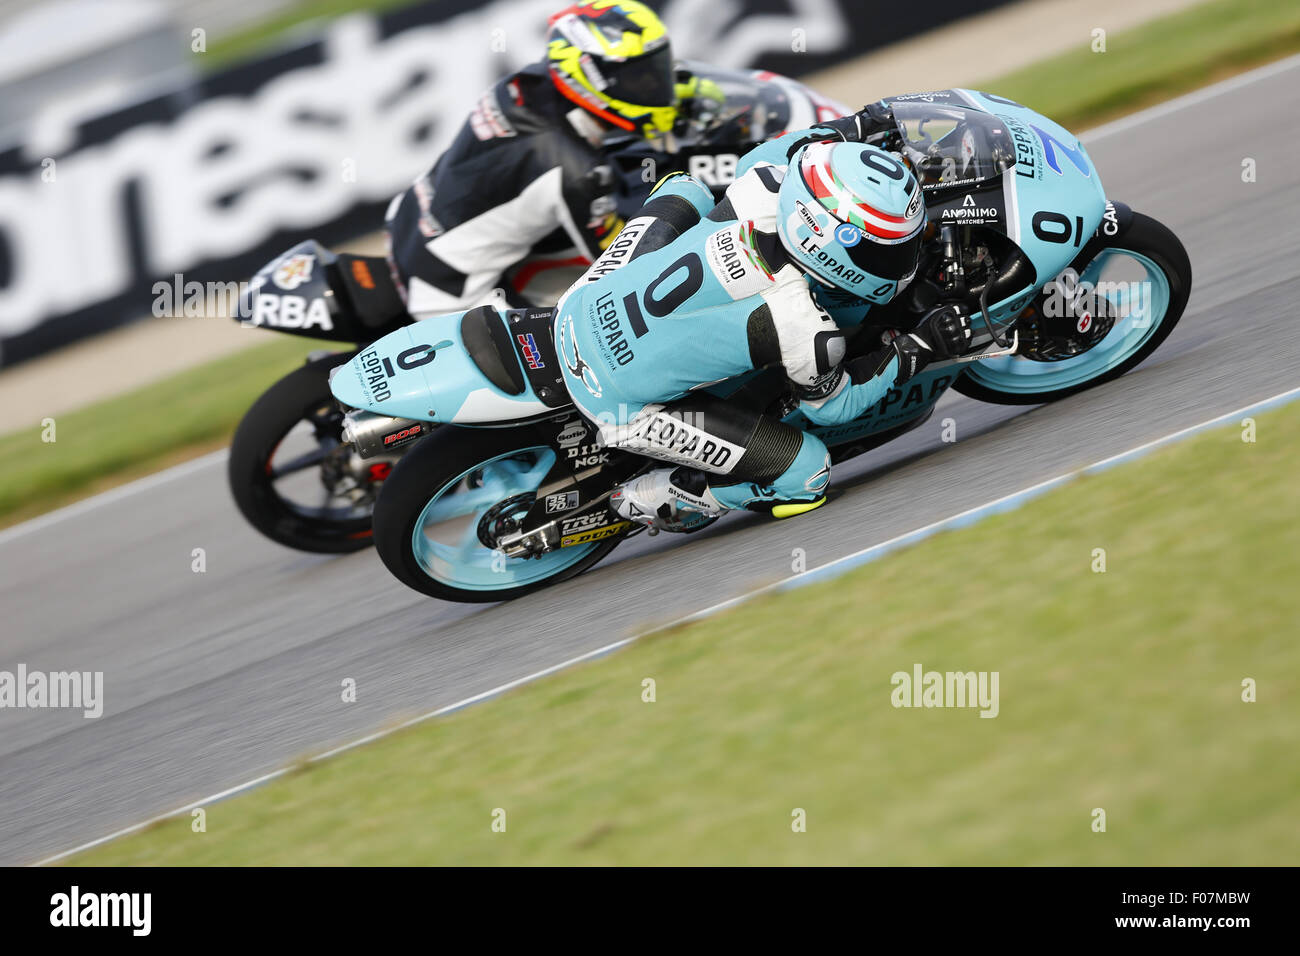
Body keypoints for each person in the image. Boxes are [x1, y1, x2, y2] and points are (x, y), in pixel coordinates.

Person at [550, 102, 974, 532]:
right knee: (809, 474)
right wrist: (917, 349)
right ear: (833, 247)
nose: (900, 258)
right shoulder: (805, 326)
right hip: (619, 405)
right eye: (886, 249)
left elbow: (804, 146)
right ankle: (681, 494)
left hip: (579, 304)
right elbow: (834, 407)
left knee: (686, 188)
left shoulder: (763, 179)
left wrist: (860, 124)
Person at [383, 0, 845, 319]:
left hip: (411, 217)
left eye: (656, 68)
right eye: (639, 77)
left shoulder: (531, 83)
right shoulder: (573, 171)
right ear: (587, 76)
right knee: (587, 339)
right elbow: (625, 267)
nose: (655, 84)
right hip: (449, 290)